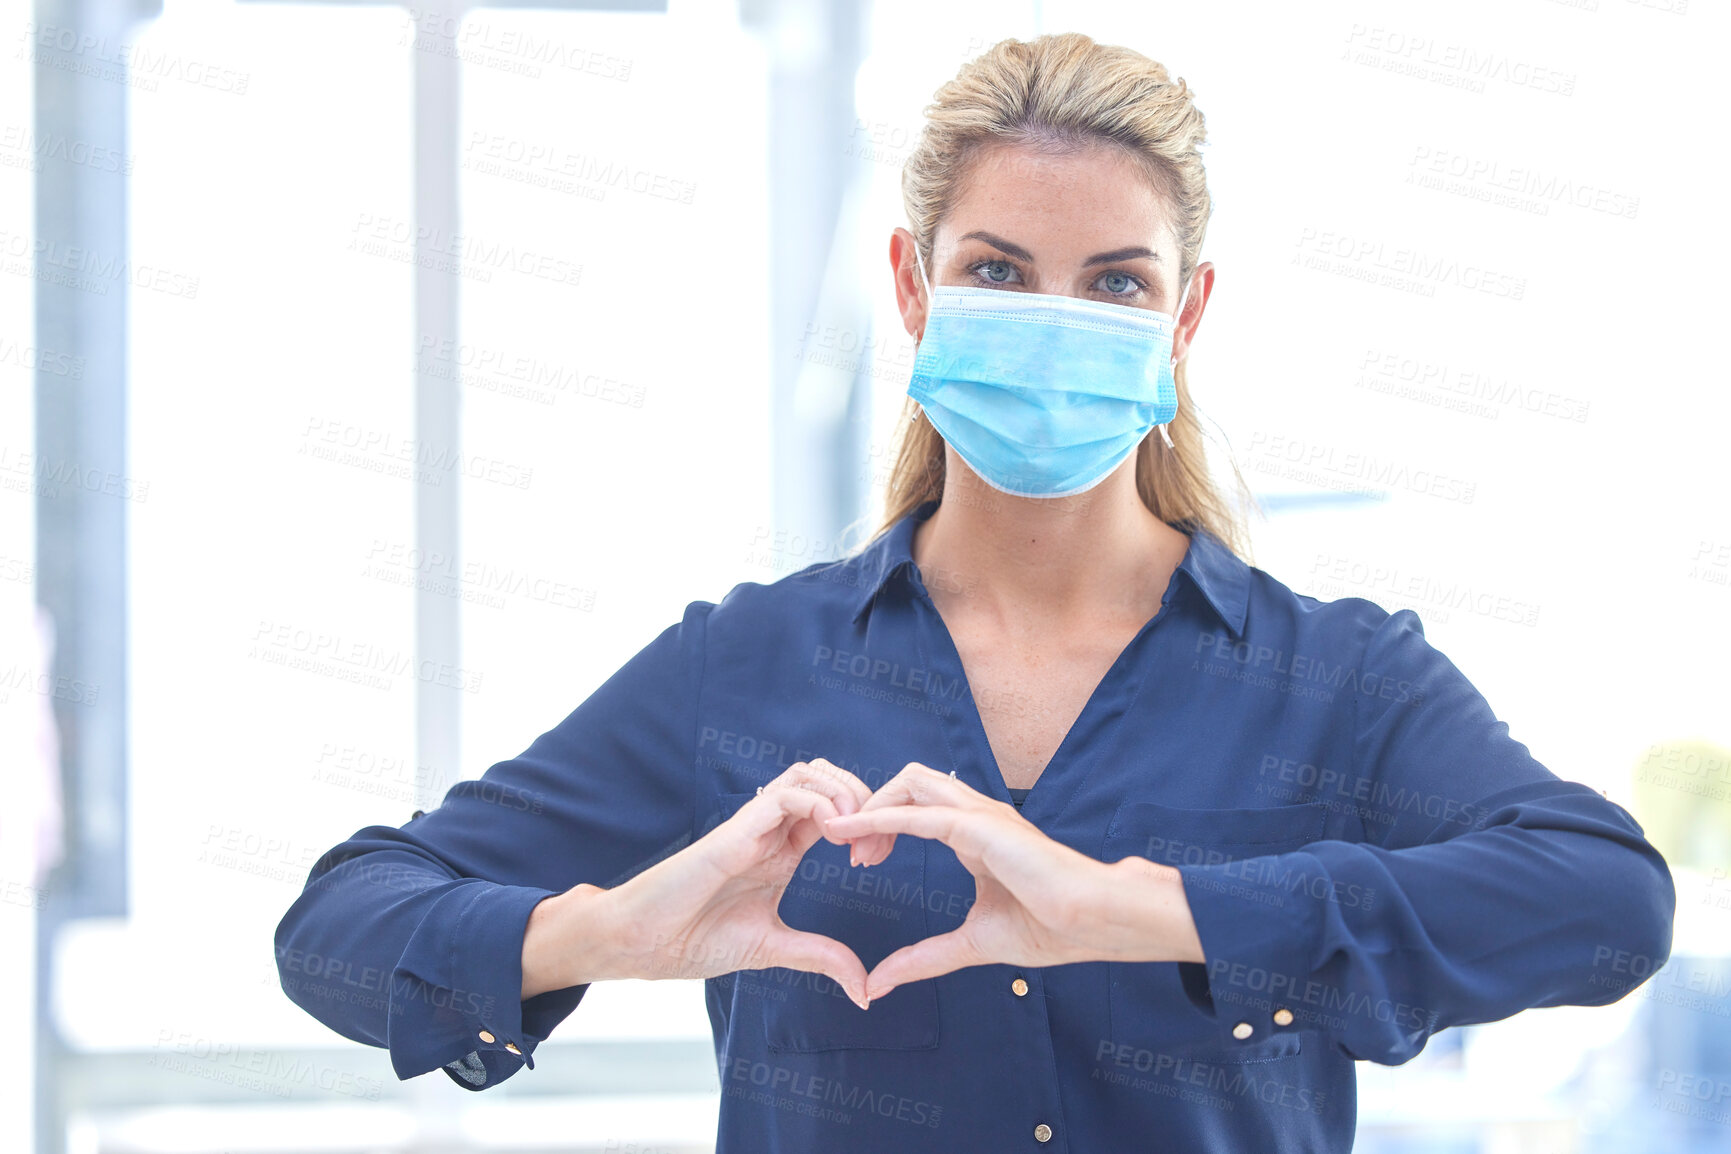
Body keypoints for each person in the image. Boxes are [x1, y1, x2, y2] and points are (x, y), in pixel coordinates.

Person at [275, 31, 1675, 1152]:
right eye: (999, 271)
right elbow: (340, 925)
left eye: (1116, 284)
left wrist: (1146, 910)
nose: (1056, 325)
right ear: (912, 283)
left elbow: (1606, 899)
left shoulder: (1341, 679)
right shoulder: (747, 666)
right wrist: (605, 929)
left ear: (1185, 319)